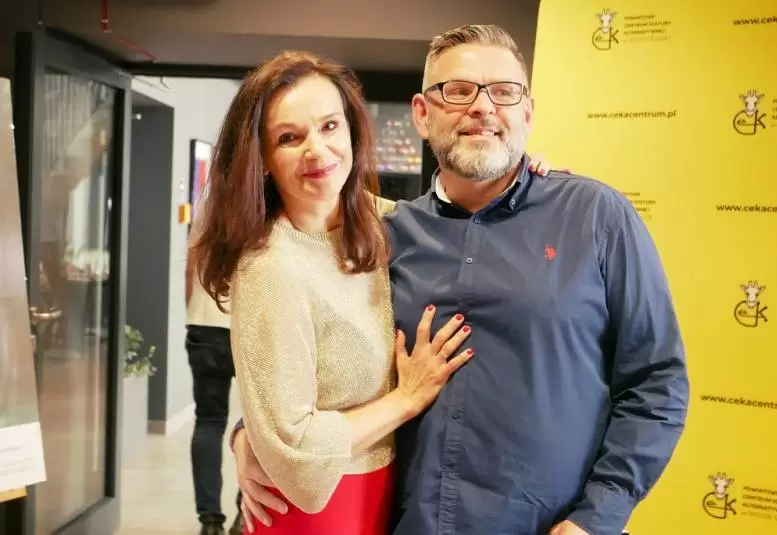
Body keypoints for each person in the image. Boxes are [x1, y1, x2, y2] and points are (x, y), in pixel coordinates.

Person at [230, 24, 690, 535]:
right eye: (458, 91)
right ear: (421, 115)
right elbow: (319, 350)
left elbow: (657, 382)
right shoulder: (386, 234)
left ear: (527, 113)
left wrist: (598, 517)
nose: (483, 107)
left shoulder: (594, 217)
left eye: (504, 92)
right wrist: (250, 433)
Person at [189, 49, 548, 535]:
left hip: (386, 495)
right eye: (289, 138)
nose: (317, 150)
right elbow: (293, 443)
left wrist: (529, 182)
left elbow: (473, 209)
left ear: (352, 131)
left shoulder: (383, 222)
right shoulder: (272, 266)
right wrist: (407, 398)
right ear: (264, 159)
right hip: (319, 512)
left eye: (329, 126)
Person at [186, 187, 244, 535]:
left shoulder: (207, 206)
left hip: (204, 325)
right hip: (249, 327)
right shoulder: (262, 204)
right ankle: (244, 514)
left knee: (208, 421)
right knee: (258, 426)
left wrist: (193, 313)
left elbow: (191, 265)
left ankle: (209, 521)